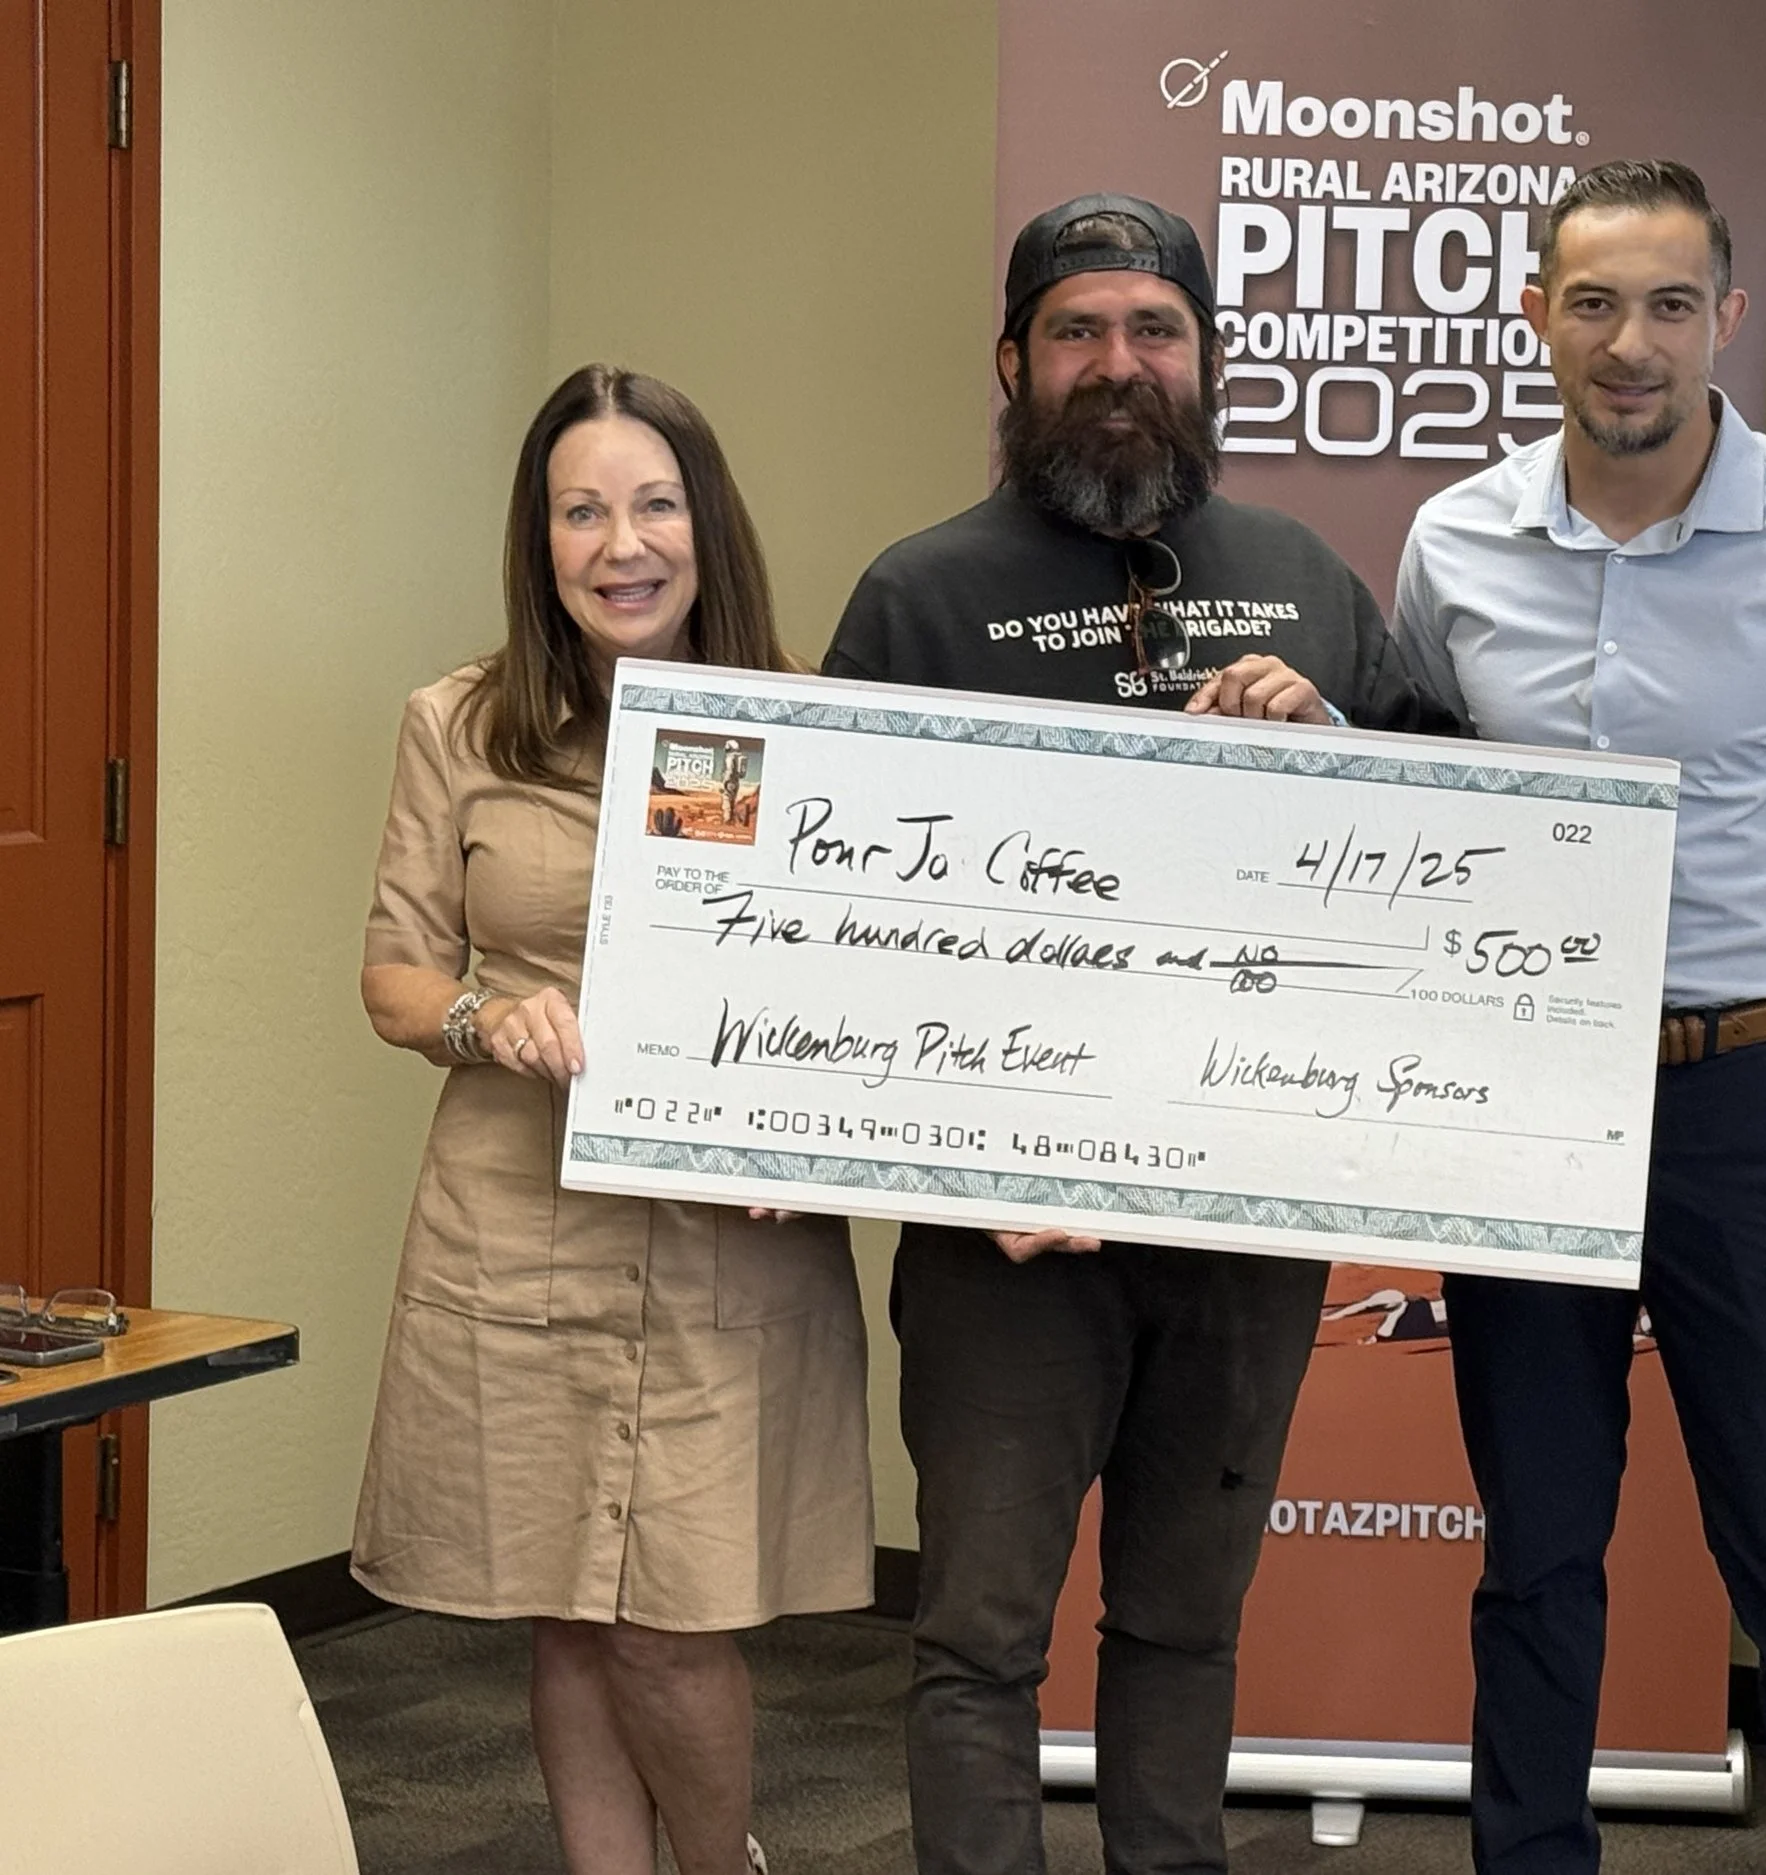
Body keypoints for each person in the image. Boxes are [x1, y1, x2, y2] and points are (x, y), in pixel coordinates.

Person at [825, 192, 1457, 1875]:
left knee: (1185, 1622)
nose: (1120, 366)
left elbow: (1454, 846)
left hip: (1241, 1220)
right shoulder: (918, 599)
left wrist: (1326, 725)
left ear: (1207, 357)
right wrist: (951, 1149)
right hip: (1004, 1239)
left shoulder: (1307, 581)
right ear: (1015, 364)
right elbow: (821, 929)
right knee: (978, 1638)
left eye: (1153, 331)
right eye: (1081, 332)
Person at [1392, 160, 1766, 1875]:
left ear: (1726, 317)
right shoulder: (1455, 541)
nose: (1630, 343)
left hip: (1752, 1111)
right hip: (1523, 1109)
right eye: (1593, 304)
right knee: (1539, 1556)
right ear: (1537, 318)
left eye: (1668, 305)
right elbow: (1414, 817)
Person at [356, 364, 872, 1875]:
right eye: (581, 510)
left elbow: (867, 978)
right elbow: (394, 973)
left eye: (652, 503)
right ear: (542, 539)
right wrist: (484, 1018)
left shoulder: (799, 722)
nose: (619, 542)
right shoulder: (456, 720)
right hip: (514, 1224)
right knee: (567, 1613)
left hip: (726, 1242)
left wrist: (806, 1126)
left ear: (706, 525)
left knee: (671, 1627)